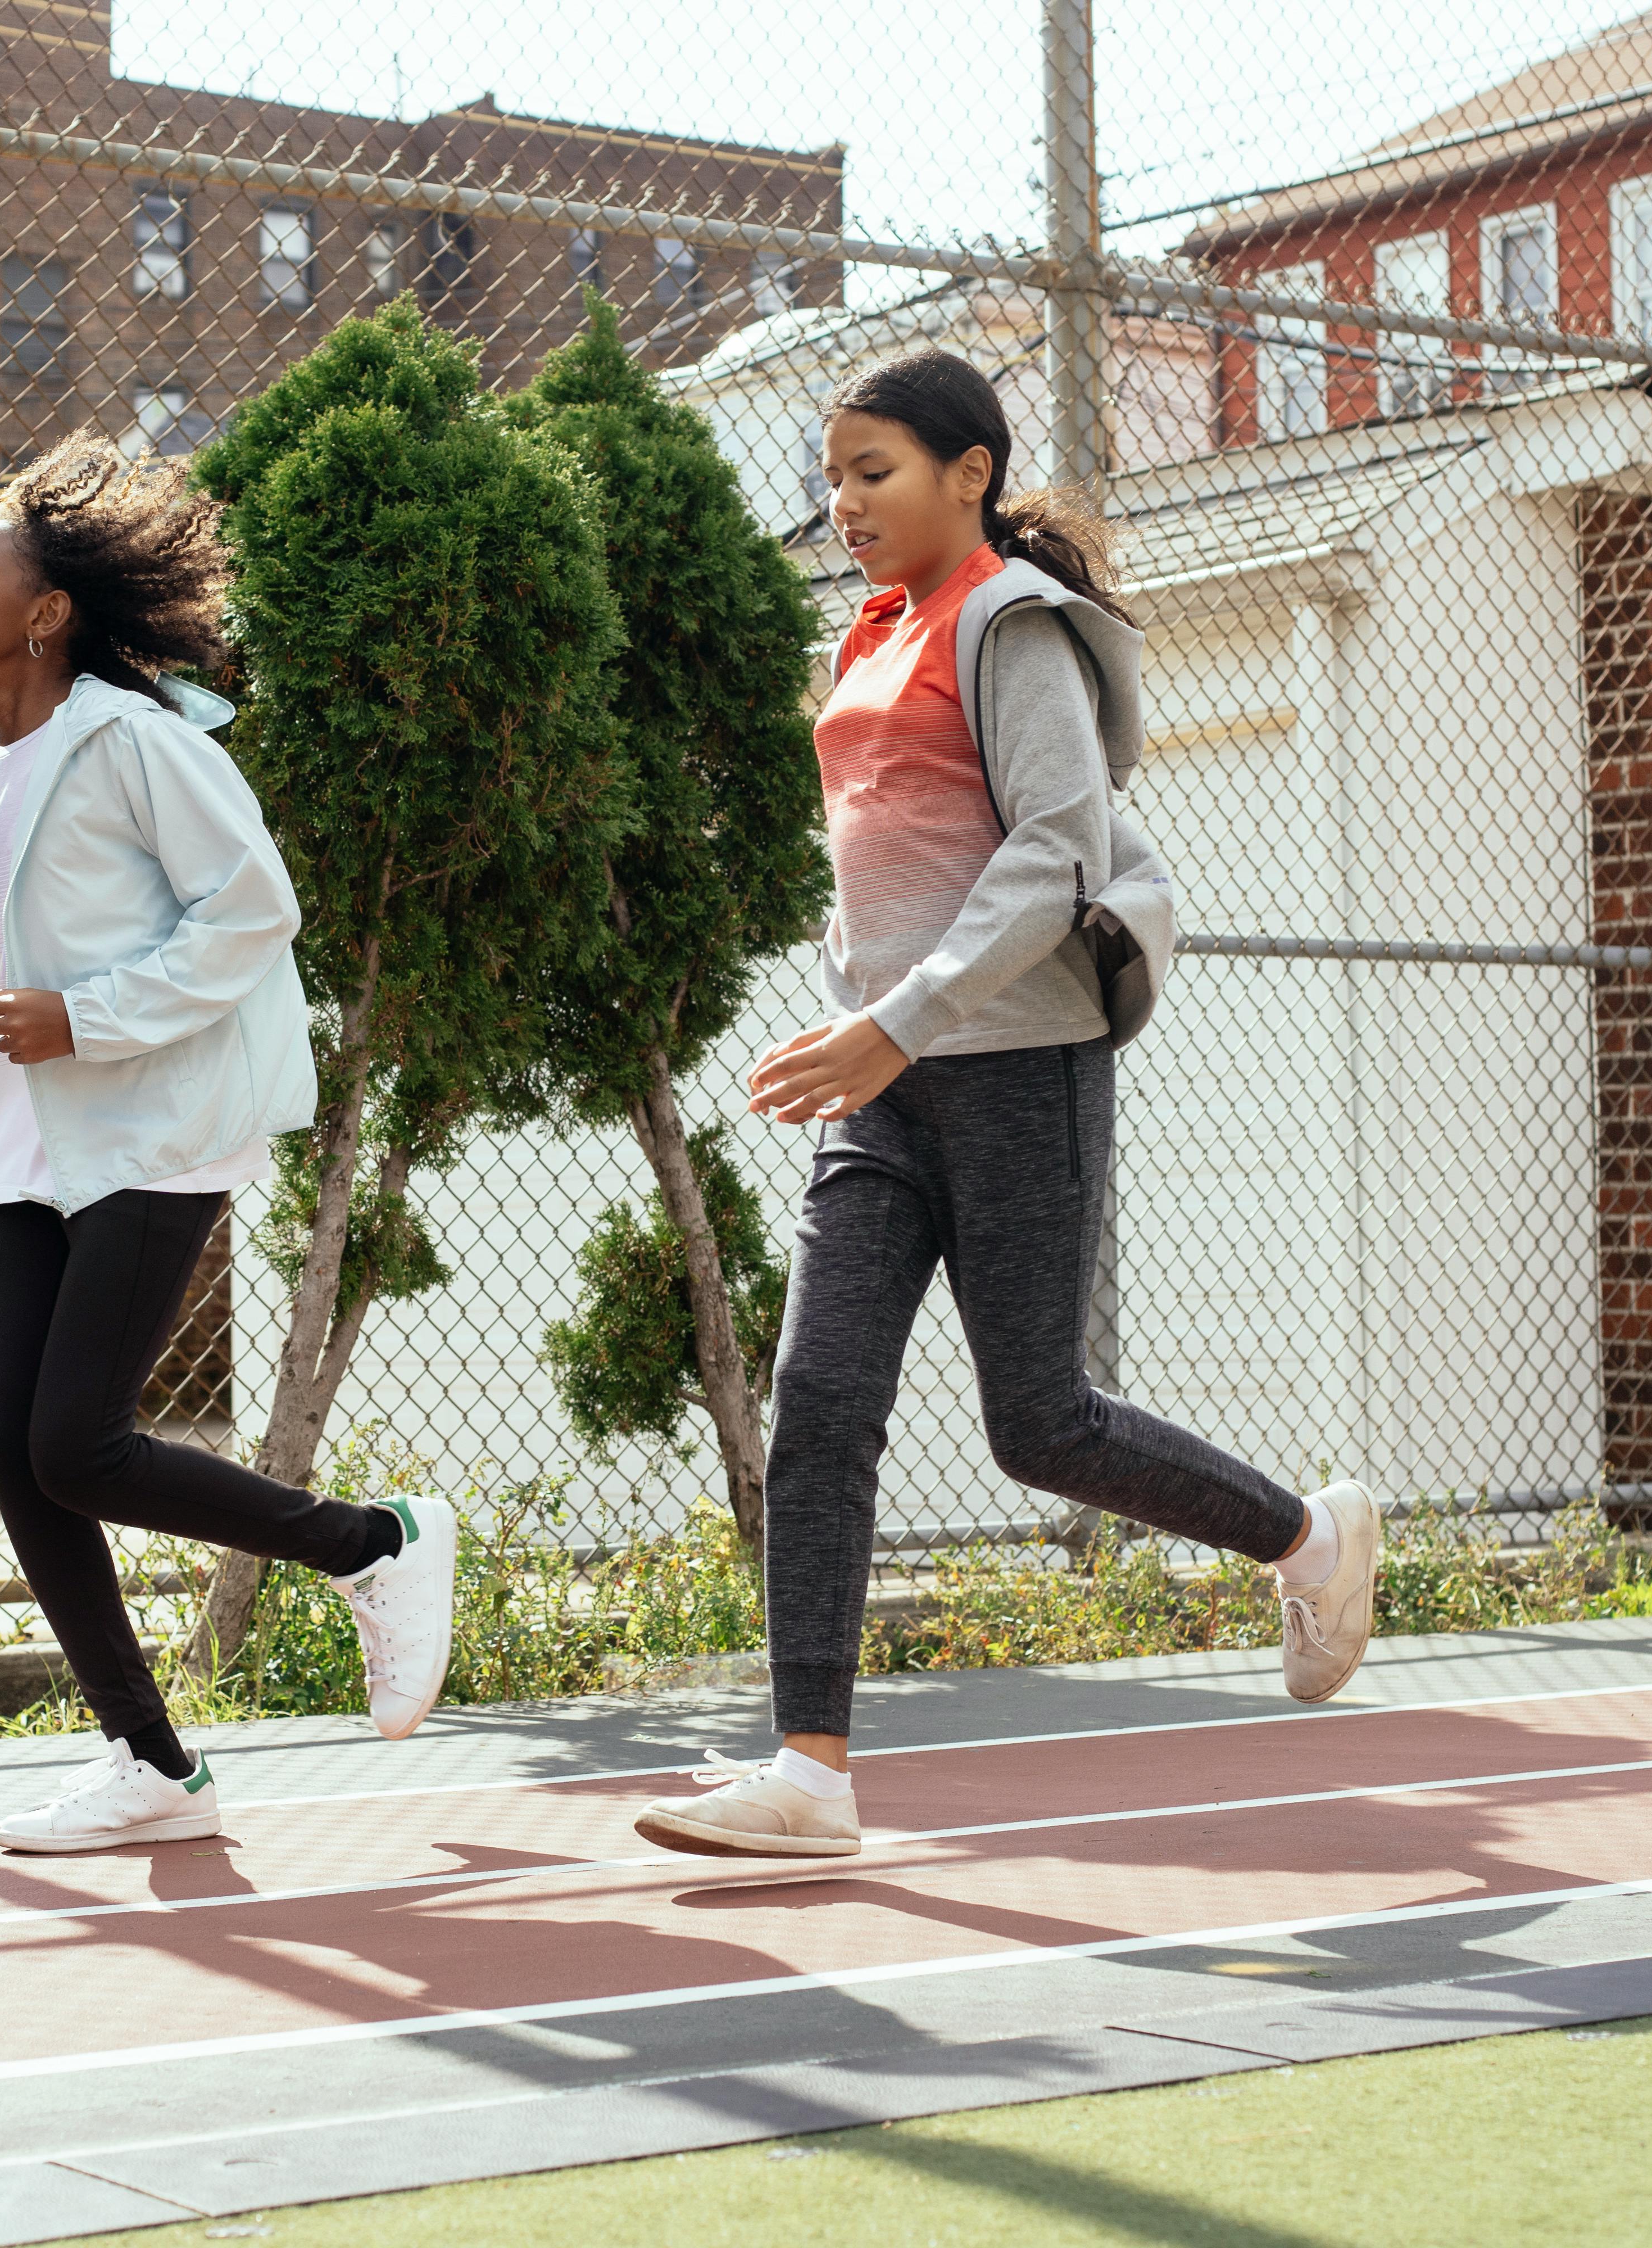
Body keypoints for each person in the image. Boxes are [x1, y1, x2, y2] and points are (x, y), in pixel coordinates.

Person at [634, 351, 1377, 1862]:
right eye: (829, 476)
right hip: (883, 1089)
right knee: (824, 1407)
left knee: (1039, 1424)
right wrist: (860, 1025)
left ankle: (1312, 1540)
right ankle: (811, 1779)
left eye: (874, 473)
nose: (841, 504)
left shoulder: (1009, 626)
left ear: (969, 472)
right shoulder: (870, 631)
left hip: (1016, 1069)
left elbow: (1054, 851)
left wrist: (894, 1025)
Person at [0, 433, 456, 1856]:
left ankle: (376, 1544)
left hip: (162, 1128)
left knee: (79, 1441)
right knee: (18, 1444)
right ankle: (152, 1765)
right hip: (50, 1154)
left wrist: (89, 1017)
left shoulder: (134, 740)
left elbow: (251, 912)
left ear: (45, 612)